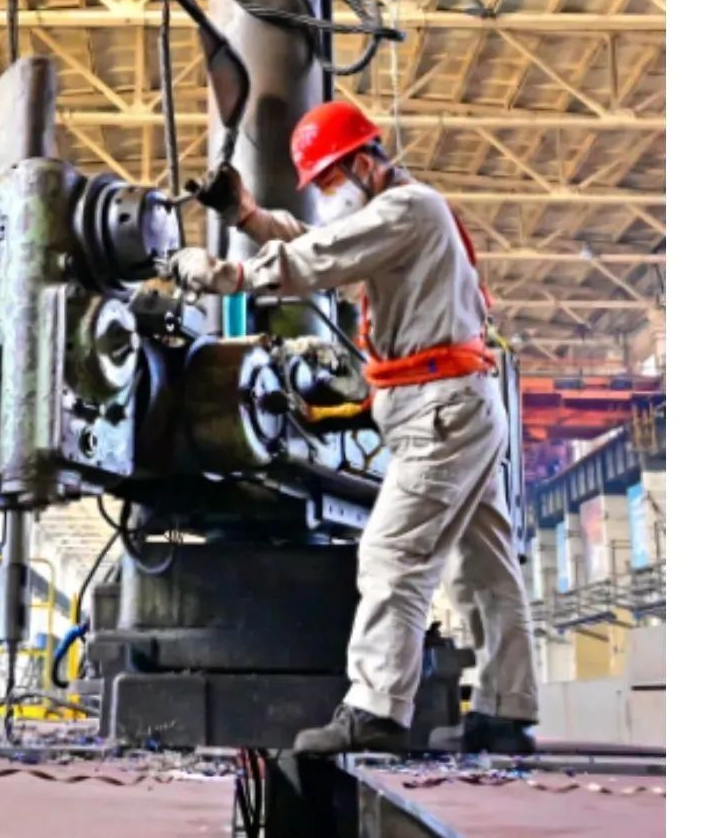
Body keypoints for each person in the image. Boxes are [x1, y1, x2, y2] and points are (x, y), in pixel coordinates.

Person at [171, 102, 539, 757]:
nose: (325, 195)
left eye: (329, 180)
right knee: (484, 567)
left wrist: (228, 275)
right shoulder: (398, 217)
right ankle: (507, 712)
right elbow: (325, 242)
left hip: (441, 410)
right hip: (461, 406)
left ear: (365, 163)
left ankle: (376, 710)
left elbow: (319, 255)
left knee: (392, 557)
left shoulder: (409, 209)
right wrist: (247, 216)